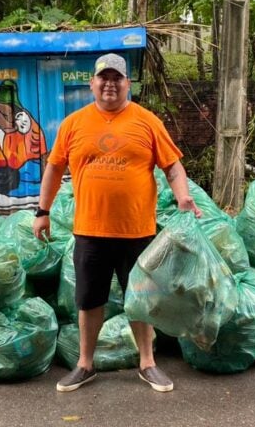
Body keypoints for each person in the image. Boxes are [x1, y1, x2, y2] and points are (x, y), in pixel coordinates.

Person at [32, 53, 202, 393]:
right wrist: (42, 210)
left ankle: (148, 363)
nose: (110, 83)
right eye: (103, 78)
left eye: (117, 78)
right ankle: (85, 364)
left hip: (137, 232)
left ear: (128, 84)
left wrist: (182, 195)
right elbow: (53, 167)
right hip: (90, 232)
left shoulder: (147, 121)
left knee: (141, 299)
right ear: (92, 83)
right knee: (88, 300)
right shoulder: (74, 123)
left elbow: (172, 166)